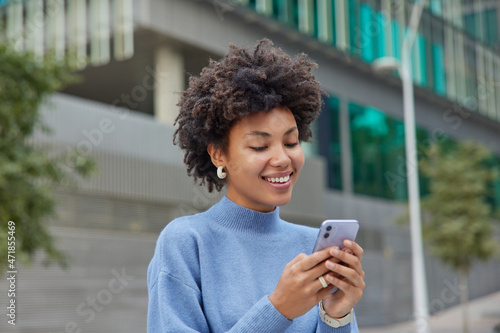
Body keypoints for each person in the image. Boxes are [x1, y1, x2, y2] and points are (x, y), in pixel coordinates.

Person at [147, 39, 365, 332]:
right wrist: (278, 309)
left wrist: (336, 317)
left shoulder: (314, 248)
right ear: (218, 154)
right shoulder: (186, 242)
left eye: (291, 142)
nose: (282, 159)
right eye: (260, 146)